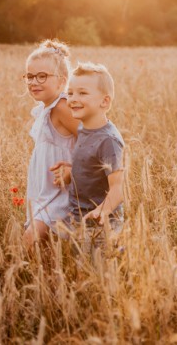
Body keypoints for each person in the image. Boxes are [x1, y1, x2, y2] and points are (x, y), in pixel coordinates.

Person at [51, 62, 125, 254]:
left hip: (101, 222)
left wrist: (102, 210)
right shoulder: (83, 127)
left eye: (82, 93)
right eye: (71, 93)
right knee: (82, 270)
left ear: (105, 102)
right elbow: (89, 160)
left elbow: (119, 188)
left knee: (99, 272)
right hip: (78, 216)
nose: (73, 99)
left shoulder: (109, 140)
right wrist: (71, 170)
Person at [22, 39, 80, 250]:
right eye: (29, 76)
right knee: (41, 249)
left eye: (42, 76)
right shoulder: (47, 109)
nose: (33, 81)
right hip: (44, 190)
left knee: (31, 239)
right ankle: (50, 283)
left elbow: (95, 142)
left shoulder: (62, 108)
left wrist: (74, 170)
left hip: (61, 192)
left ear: (62, 81)